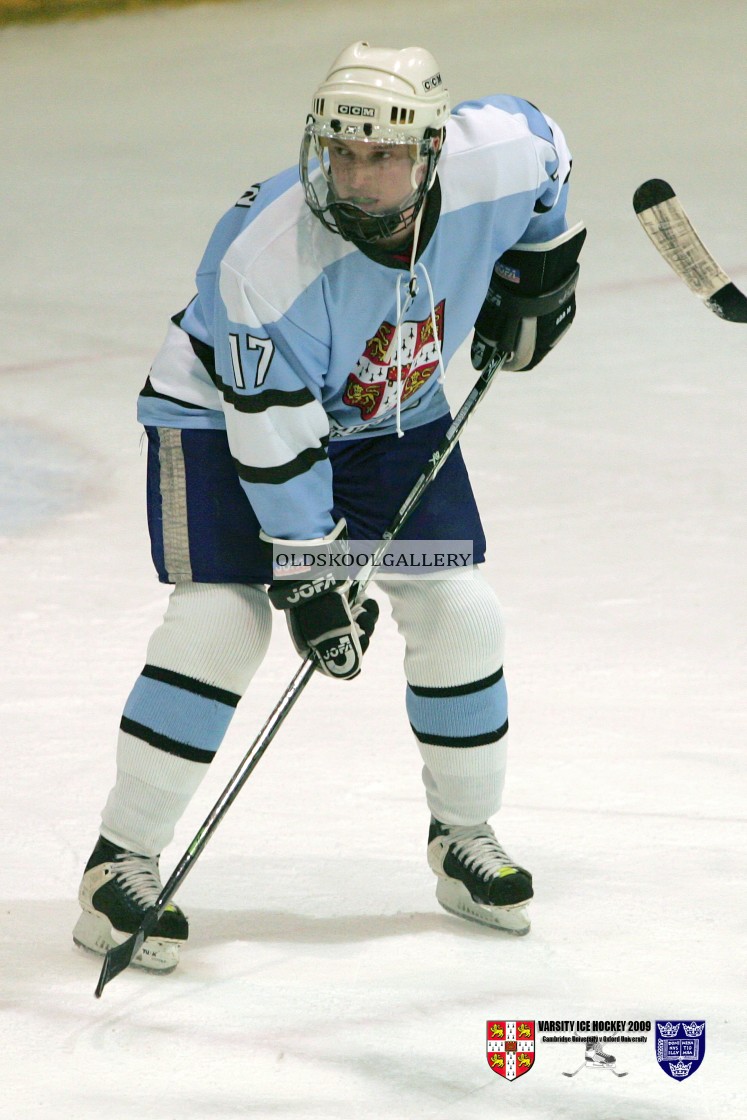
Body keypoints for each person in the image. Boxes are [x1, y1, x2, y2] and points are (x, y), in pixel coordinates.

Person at [73, 41, 584, 972]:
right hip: (220, 419)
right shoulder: (261, 259)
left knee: (458, 605)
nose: (355, 177)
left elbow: (551, 160)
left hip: (391, 407)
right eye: (340, 153)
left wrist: (538, 269)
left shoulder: (500, 151)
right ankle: (119, 865)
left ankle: (462, 840)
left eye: (382, 157)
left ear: (431, 151)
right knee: (223, 620)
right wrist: (313, 575)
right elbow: (273, 436)